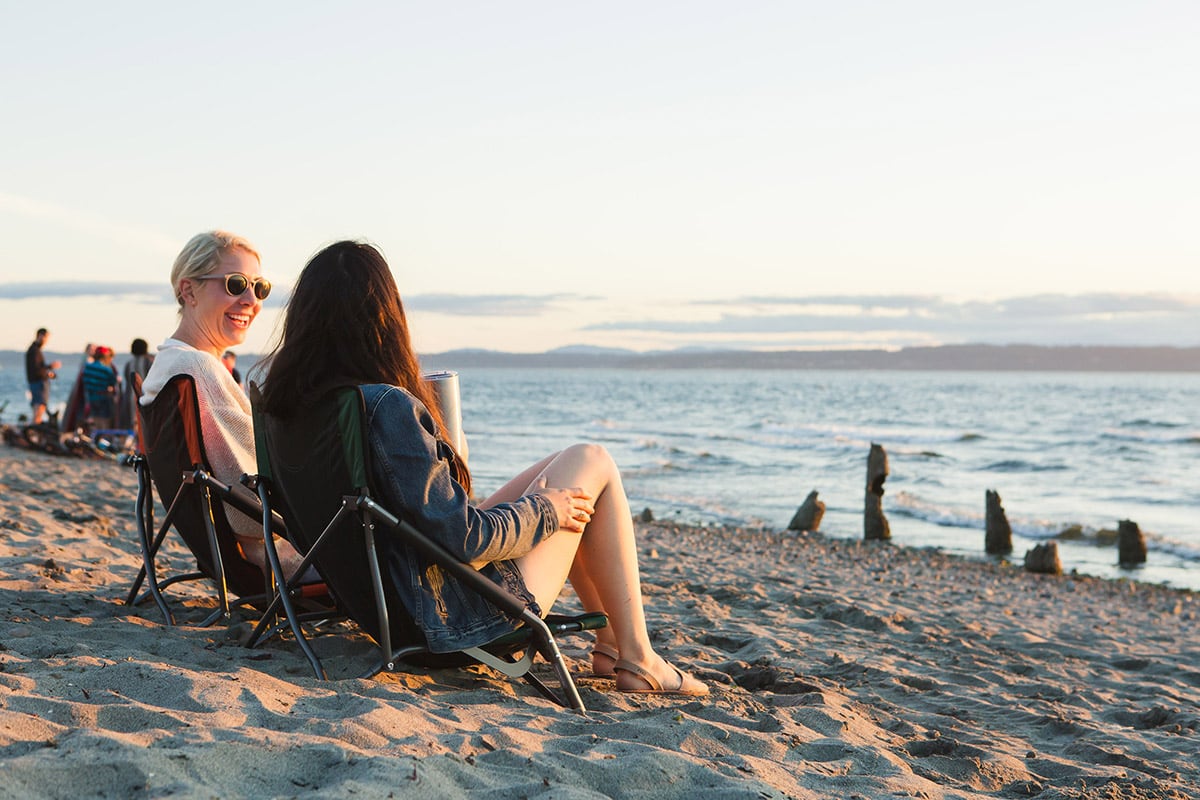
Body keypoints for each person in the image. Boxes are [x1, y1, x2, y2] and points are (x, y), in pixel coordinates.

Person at [257, 241, 707, 695]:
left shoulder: (284, 413)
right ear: (385, 319)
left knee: (566, 462)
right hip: (446, 619)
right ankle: (640, 657)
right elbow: (467, 540)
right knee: (594, 462)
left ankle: (611, 646)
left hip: (382, 606)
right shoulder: (384, 406)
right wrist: (545, 511)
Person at [140, 230, 306, 578]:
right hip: (281, 561)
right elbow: (248, 509)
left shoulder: (170, 366)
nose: (252, 300)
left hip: (247, 558)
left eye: (260, 288)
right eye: (235, 284)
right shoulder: (198, 370)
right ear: (189, 291)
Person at [25, 328, 62, 425]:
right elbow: (37, 369)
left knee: (39, 407)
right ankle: (35, 430)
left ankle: (35, 430)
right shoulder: (34, 350)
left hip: (36, 381)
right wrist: (50, 368)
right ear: (41, 336)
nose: (46, 341)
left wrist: (49, 371)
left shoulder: (34, 350)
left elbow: (38, 368)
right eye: (46, 338)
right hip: (38, 383)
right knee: (39, 407)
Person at [118, 338, 155, 429]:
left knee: (133, 425)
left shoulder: (129, 364)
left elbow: (127, 381)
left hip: (130, 398)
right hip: (146, 398)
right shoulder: (149, 362)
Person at [82, 346, 119, 429]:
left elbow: (85, 382)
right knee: (105, 422)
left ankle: (96, 439)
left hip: (92, 398)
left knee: (95, 422)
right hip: (104, 398)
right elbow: (113, 383)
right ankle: (104, 439)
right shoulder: (106, 369)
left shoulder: (87, 367)